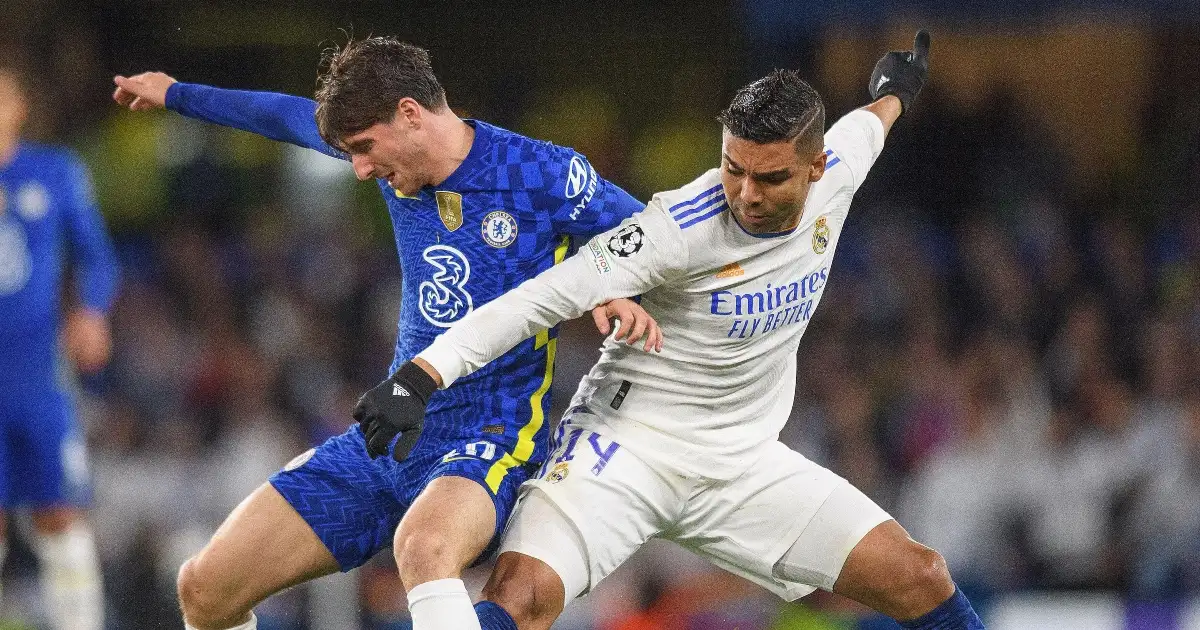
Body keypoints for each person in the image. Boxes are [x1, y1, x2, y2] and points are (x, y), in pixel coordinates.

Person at [379, 31, 985, 630]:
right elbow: (540, 299)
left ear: (815, 167)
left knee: (920, 577)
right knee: (521, 596)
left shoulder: (841, 168)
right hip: (624, 447)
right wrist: (421, 375)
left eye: (770, 178)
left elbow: (871, 123)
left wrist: (895, 89)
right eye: (732, 168)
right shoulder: (675, 227)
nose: (745, 194)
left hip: (741, 462)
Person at [111, 36, 661, 630]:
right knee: (204, 588)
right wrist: (176, 94)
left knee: (423, 550)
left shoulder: (541, 172)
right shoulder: (392, 167)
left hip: (489, 439)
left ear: (409, 114)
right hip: (389, 433)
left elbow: (660, 237)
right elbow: (280, 114)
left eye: (365, 149)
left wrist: (611, 279)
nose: (359, 169)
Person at [0, 66, 116, 630]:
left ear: (19, 105)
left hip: (38, 374)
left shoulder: (54, 171)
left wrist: (90, 310)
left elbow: (96, 256)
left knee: (60, 515)